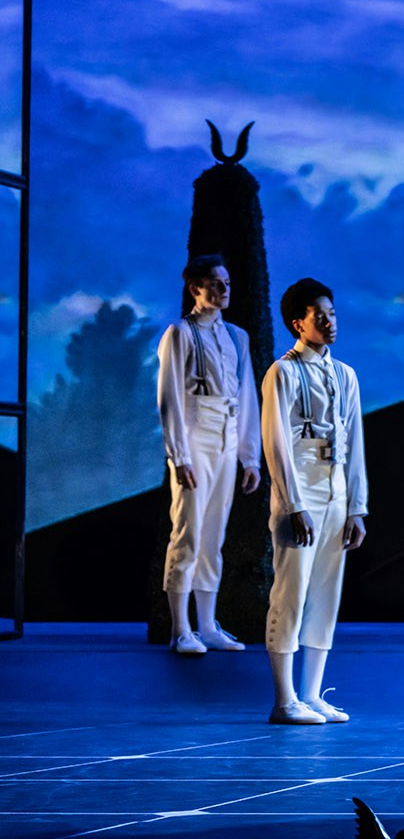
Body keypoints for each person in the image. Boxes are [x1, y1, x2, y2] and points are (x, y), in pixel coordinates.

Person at [261, 278, 368, 725]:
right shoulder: (283, 372)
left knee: (326, 592)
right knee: (291, 592)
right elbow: (276, 443)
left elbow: (356, 442)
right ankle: (285, 698)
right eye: (318, 315)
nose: (328, 322)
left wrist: (357, 506)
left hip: (336, 493)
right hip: (301, 493)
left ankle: (311, 693)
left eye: (332, 314)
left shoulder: (345, 375)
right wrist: (292, 504)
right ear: (297, 323)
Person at [155, 254, 261, 655]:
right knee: (188, 530)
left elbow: (247, 395)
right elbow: (169, 398)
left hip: (226, 436)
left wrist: (250, 457)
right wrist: (178, 455)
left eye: (226, 283)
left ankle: (207, 624)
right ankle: (181, 628)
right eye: (214, 284)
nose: (223, 291)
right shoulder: (179, 334)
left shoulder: (237, 337)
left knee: (214, 533)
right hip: (195, 436)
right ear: (195, 287)